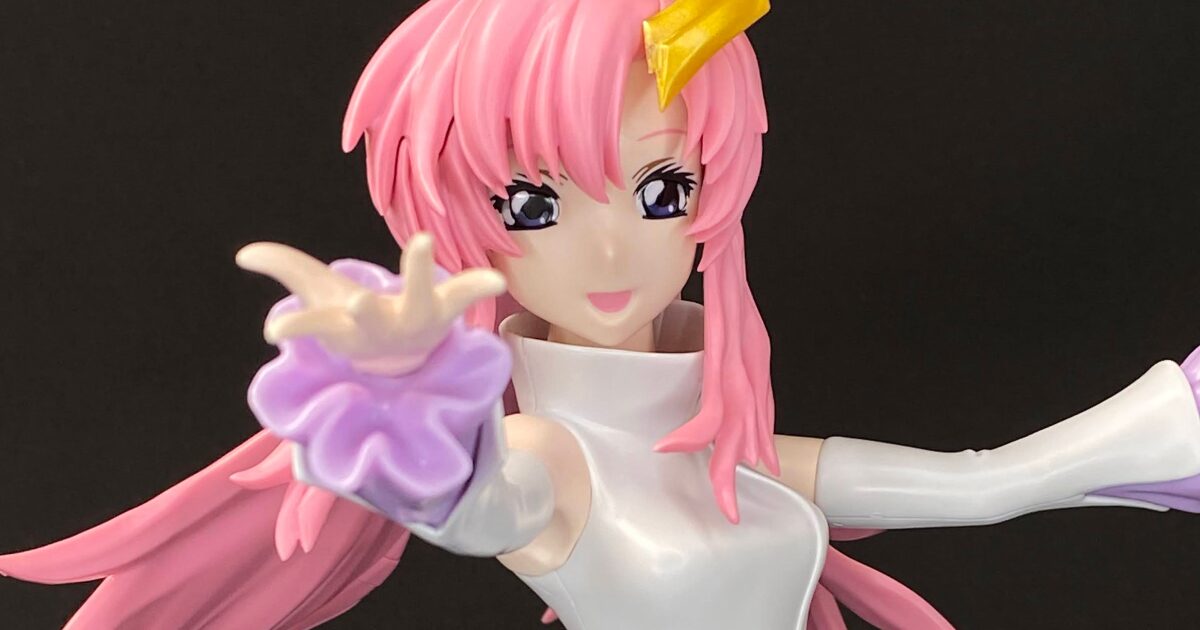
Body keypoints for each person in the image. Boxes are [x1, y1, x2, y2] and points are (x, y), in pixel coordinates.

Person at [5, 1, 1200, 628]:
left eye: (662, 188)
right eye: (533, 203)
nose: (615, 247)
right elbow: (483, 503)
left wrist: (1167, 433)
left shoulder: (731, 460)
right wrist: (407, 415)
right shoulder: (546, 458)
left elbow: (985, 484)